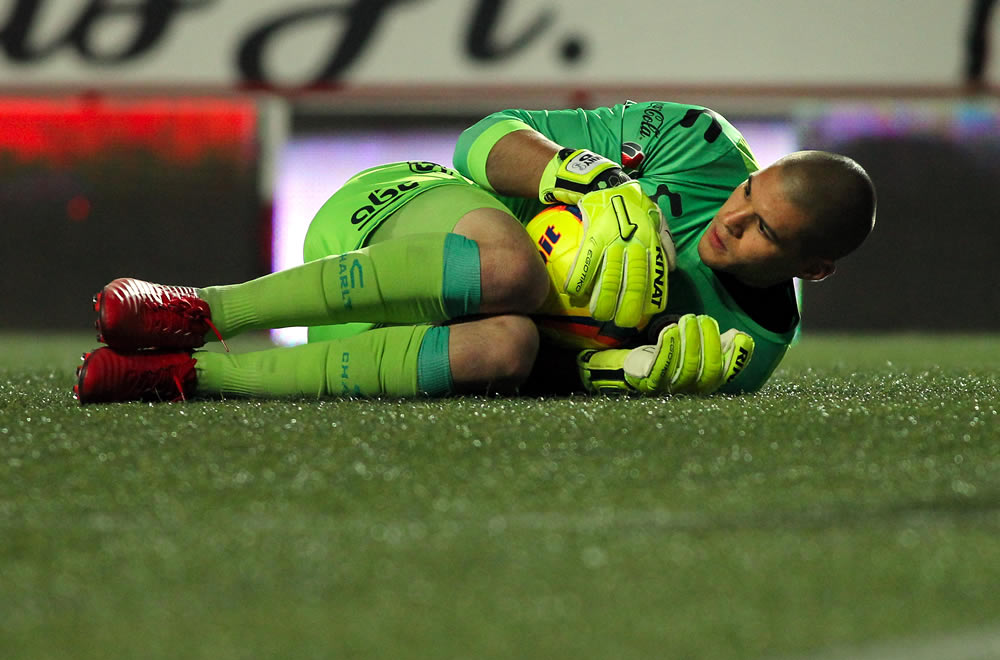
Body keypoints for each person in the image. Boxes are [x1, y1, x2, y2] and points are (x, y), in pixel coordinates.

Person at [73, 101, 876, 404]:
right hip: (390, 222)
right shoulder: (696, 146)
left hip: (393, 344)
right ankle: (206, 310)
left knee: (512, 345)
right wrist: (584, 180)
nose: (732, 220)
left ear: (815, 270)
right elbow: (481, 139)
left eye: (765, 231)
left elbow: (548, 376)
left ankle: (186, 376)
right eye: (749, 195)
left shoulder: (749, 351)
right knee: (515, 268)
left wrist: (616, 374)